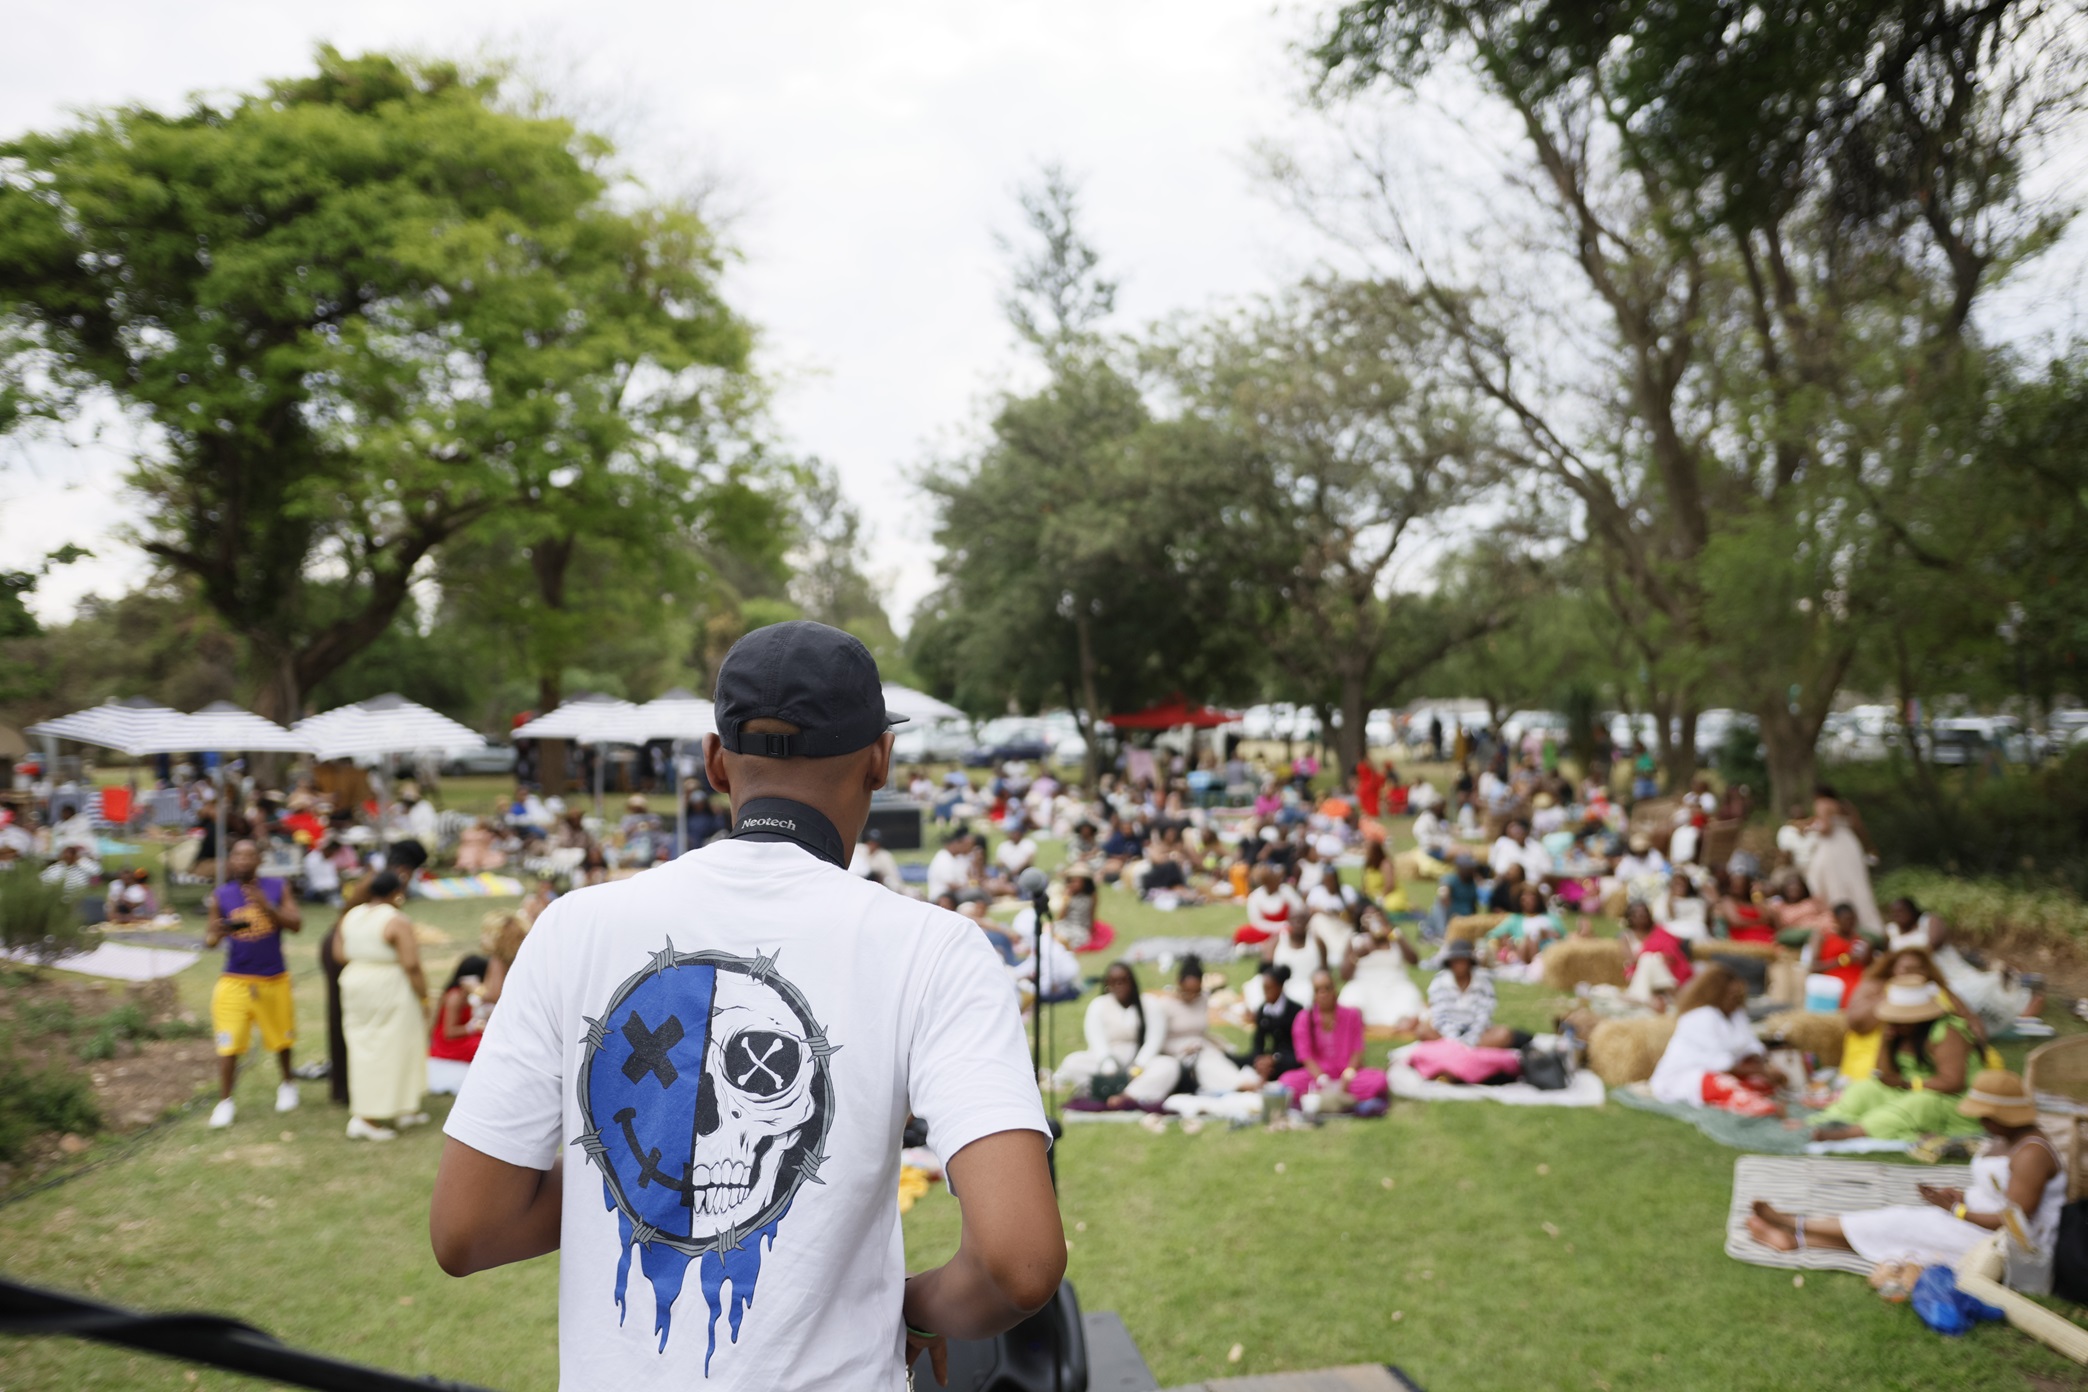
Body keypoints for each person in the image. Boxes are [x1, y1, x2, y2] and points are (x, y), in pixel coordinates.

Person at [432, 621, 1063, 1391]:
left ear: (713, 760)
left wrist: (645, 1155)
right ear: (880, 759)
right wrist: (917, 1308)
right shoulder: (936, 950)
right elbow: (1020, 1265)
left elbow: (469, 1229)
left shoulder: (575, 927)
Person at [1748, 1070, 2063, 1285]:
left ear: (2002, 1115)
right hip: (1978, 1220)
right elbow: (1997, 1191)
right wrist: (1960, 1197)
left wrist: (1956, 1210)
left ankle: (1795, 1223)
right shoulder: (2005, 1138)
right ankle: (1797, 1239)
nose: (1979, 1121)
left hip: (2009, 1243)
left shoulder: (2031, 1155)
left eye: (1985, 1116)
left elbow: (2014, 1223)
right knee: (1903, 1232)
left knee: (1897, 1223)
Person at [204, 839, 303, 1129]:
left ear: (259, 860)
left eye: (249, 856)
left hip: (273, 978)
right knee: (229, 1042)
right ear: (231, 861)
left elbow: (296, 924)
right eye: (238, 855)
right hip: (234, 979)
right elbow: (210, 940)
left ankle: (287, 1084)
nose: (243, 860)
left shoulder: (278, 887)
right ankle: (225, 1102)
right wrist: (218, 932)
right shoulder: (221, 894)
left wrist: (266, 906)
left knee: (282, 1039)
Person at [1813, 975, 1983, 1143]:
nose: (1894, 1023)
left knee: (1919, 1103)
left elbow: (1953, 1083)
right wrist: (1886, 1043)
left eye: (1901, 1019)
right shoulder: (1895, 1031)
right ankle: (1827, 1121)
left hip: (1951, 1100)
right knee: (1864, 1088)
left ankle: (1850, 1133)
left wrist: (1907, 1084)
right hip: (1909, 1089)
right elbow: (1884, 1074)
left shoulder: (1948, 1031)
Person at [336, 870, 429, 1140]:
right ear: (396, 893)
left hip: (356, 980)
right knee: (389, 1047)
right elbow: (411, 963)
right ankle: (366, 1117)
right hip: (388, 984)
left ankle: (404, 1106)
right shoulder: (395, 919)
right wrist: (424, 996)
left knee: (371, 1044)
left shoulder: (351, 915)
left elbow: (339, 953)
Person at [1885, 896, 2042, 1036]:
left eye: (1901, 911)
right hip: (1921, 979)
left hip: (1951, 972)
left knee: (1981, 989)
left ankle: (2025, 1009)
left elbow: (1935, 942)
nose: (1898, 915)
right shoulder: (1891, 931)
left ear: (1912, 911)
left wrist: (1912, 959)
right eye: (1894, 912)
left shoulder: (1929, 921)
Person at [1648, 964, 1785, 1116]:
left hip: (1728, 1072)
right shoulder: (1700, 1016)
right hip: (1690, 1075)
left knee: (1764, 1083)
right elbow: (1720, 1062)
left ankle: (1750, 1098)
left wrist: (1762, 1065)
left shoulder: (1736, 1015)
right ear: (1717, 993)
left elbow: (1750, 1045)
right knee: (1723, 1084)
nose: (1736, 1000)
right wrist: (1760, 1070)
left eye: (1739, 996)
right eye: (1732, 995)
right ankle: (1758, 1105)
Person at [1122, 956, 1248, 1105]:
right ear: (1179, 983)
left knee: (1217, 1059)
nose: (1192, 996)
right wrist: (1181, 1049)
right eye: (1187, 991)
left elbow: (1200, 1030)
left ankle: (1239, 1083)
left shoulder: (1203, 999)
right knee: (1204, 1065)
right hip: (1177, 1052)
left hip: (1201, 1047)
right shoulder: (1164, 1005)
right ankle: (1235, 1085)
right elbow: (1155, 1039)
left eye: (1196, 991)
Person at [1280, 970, 1390, 1112]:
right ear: (1314, 994)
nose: (1323, 994)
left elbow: (1357, 1051)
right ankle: (1342, 1098)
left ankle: (1327, 1098)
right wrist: (1322, 1079)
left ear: (1335, 990)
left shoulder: (1352, 1015)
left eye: (1327, 988)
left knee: (1379, 1079)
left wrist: (1347, 1077)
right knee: (1287, 1081)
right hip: (1317, 1077)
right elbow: (1305, 1056)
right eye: (1318, 990)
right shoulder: (1304, 1018)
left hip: (1348, 1077)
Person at [1053, 962, 1147, 1095]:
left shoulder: (1144, 1004)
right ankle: (1100, 1089)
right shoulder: (1098, 1004)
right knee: (1072, 1062)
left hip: (1135, 1063)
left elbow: (1152, 1040)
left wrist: (1139, 1064)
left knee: (1164, 1067)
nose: (1119, 986)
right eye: (1114, 982)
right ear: (1107, 985)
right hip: (1103, 1061)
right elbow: (1096, 1040)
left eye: (1123, 981)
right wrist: (1107, 1063)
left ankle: (1125, 1092)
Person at [1803, 784, 1882, 936]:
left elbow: (1826, 829)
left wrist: (1809, 828)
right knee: (1856, 884)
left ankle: (1837, 924)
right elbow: (1859, 826)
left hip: (1832, 847)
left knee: (1832, 883)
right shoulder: (1845, 805)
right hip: (1849, 844)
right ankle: (1868, 926)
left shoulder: (1821, 804)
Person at [1417, 940, 1525, 1049]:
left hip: (1478, 1034)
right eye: (1456, 961)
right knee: (1423, 1030)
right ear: (1450, 962)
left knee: (1504, 1034)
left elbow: (1484, 1015)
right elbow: (1439, 1016)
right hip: (1446, 1033)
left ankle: (1455, 1050)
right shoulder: (1440, 981)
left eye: (1462, 960)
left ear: (1469, 961)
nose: (1459, 965)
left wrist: (1470, 1040)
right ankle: (1457, 1049)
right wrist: (1454, 1040)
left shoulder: (1483, 981)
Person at [428, 953, 490, 1096]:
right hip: (448, 1043)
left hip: (462, 1036)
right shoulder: (455, 996)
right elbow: (449, 1032)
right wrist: (471, 1027)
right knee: (481, 1046)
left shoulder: (468, 995)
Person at [1240, 964, 1302, 1080]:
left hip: (1291, 1058)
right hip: (1270, 1059)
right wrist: (1260, 1060)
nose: (1266, 993)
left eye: (1269, 989)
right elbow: (1258, 1043)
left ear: (1280, 987)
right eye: (1264, 989)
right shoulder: (1263, 1010)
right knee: (1239, 1061)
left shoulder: (1296, 1011)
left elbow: (1300, 1049)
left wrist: (1275, 1059)